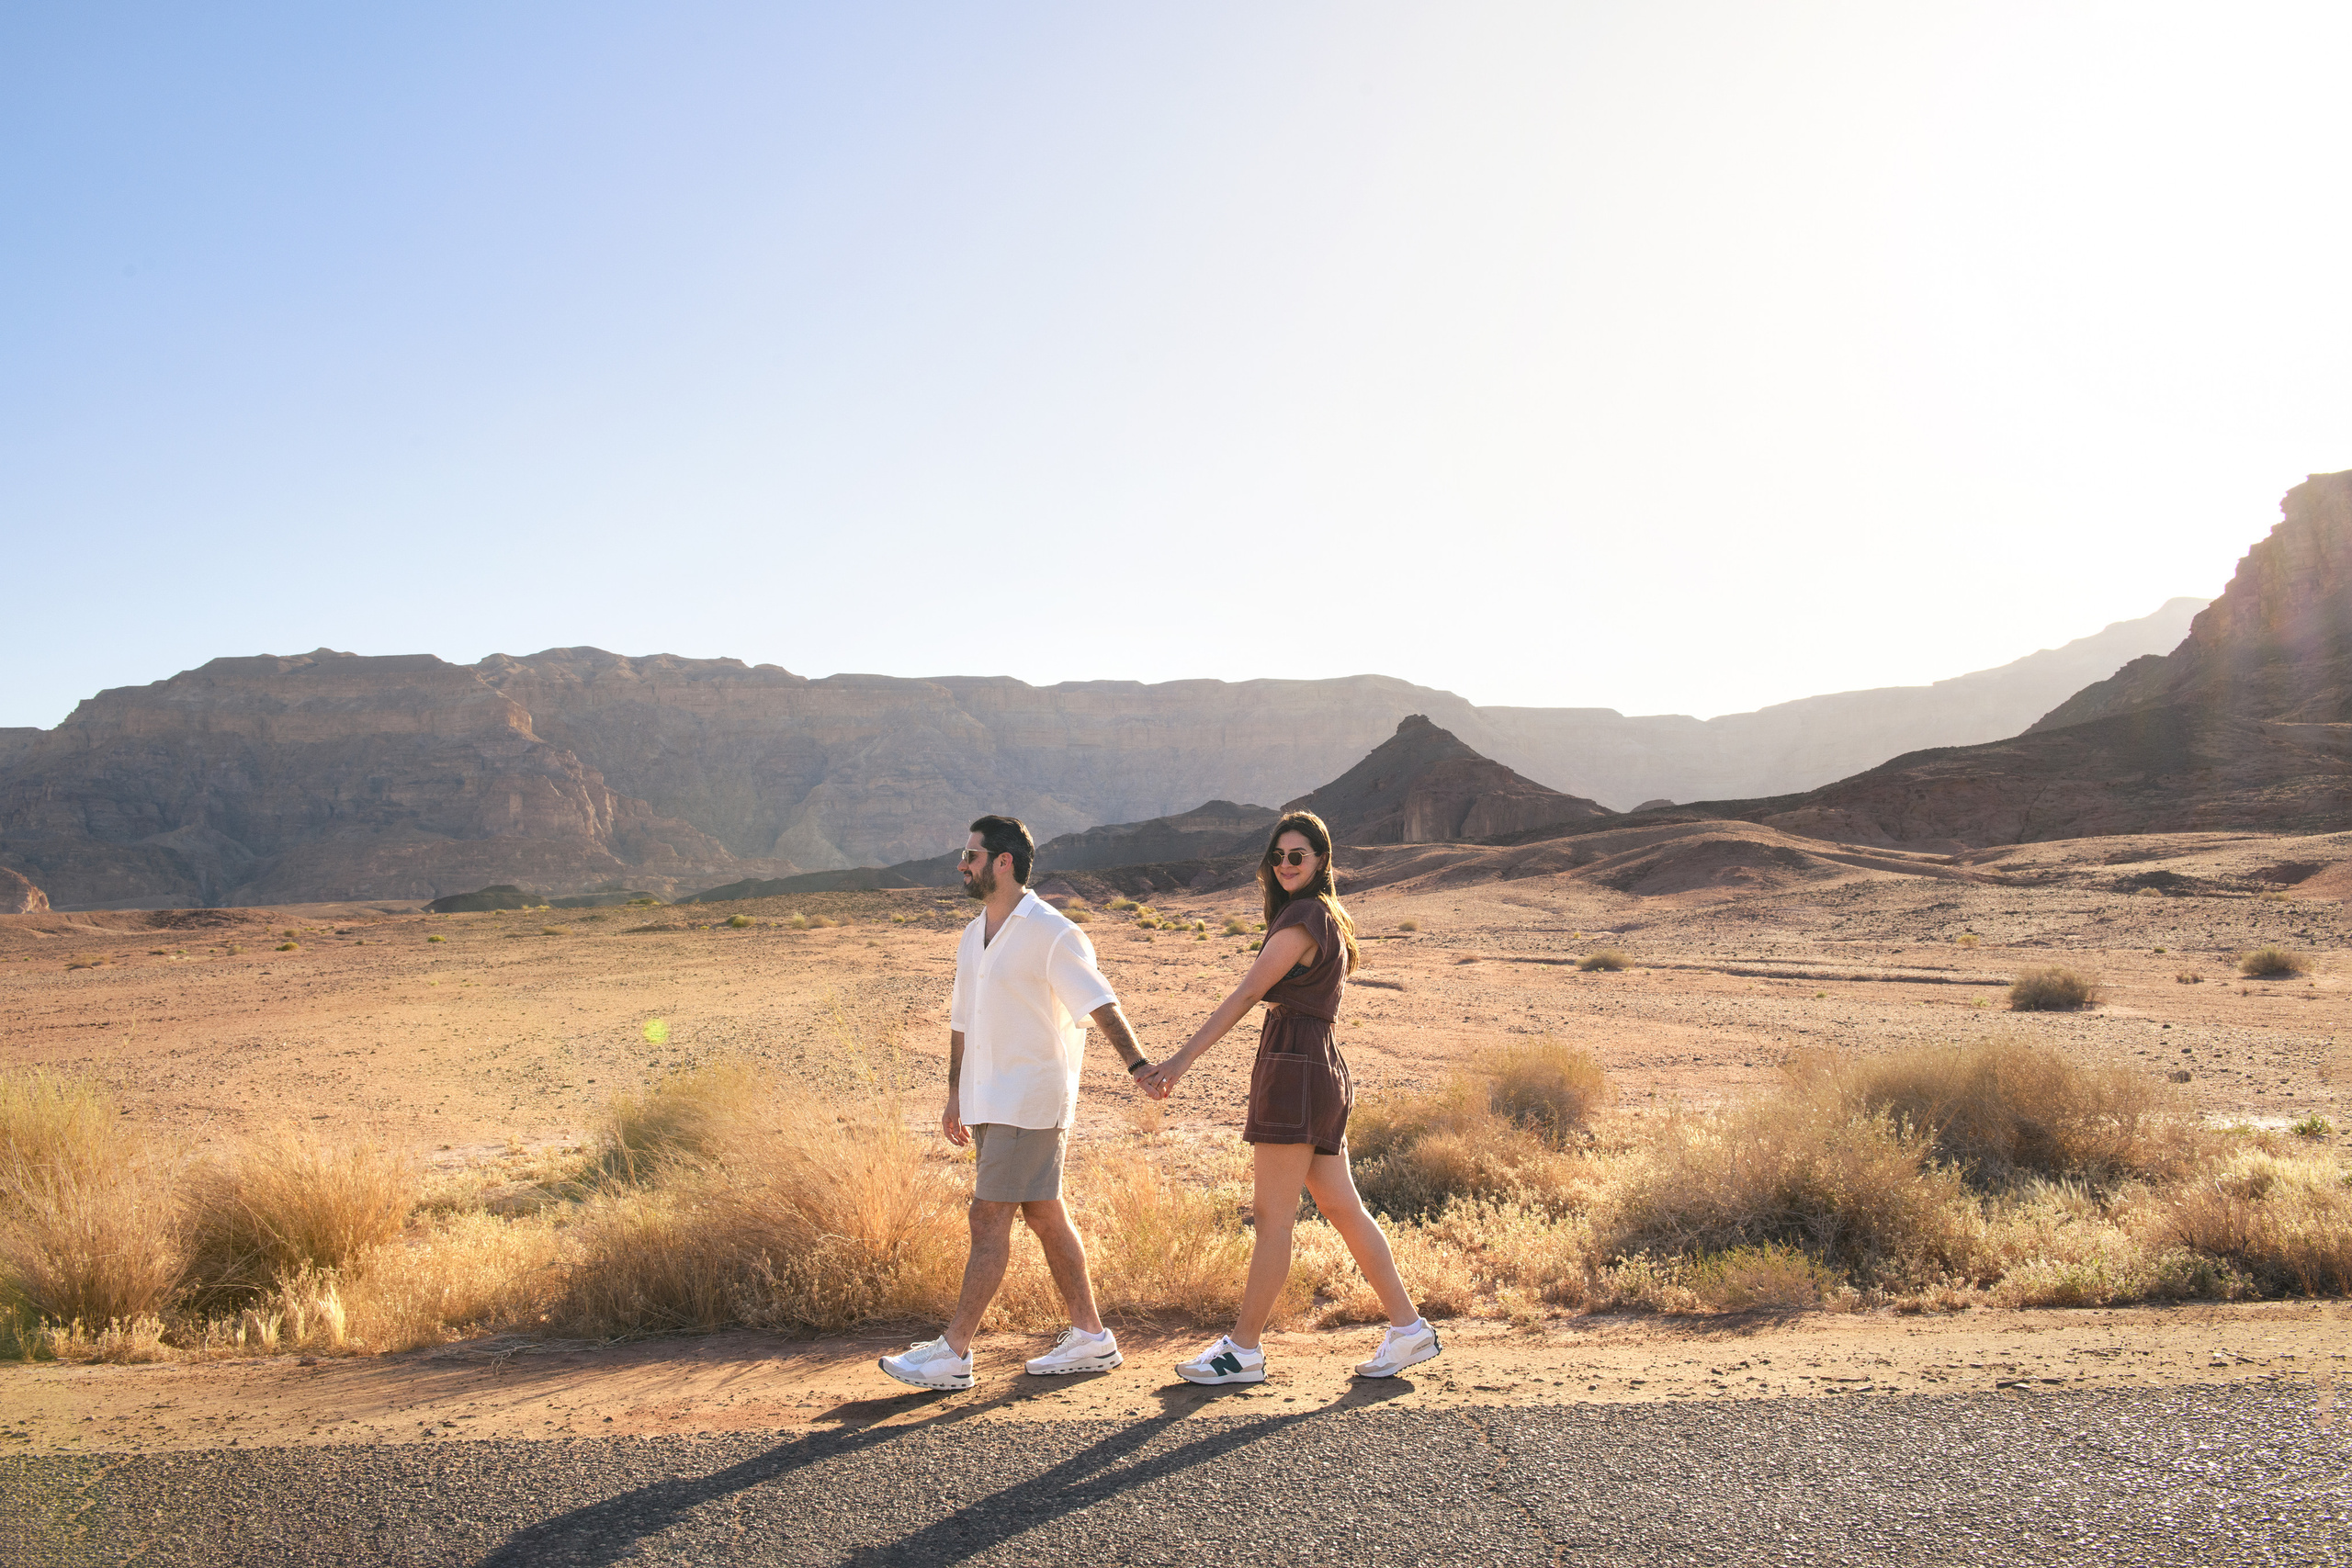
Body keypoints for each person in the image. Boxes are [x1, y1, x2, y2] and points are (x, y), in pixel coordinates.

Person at [1137, 810, 1441, 1384]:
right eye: (1277, 858)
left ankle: (1243, 1350)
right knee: (1341, 1207)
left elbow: (1249, 992)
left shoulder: (1303, 918)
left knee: (1274, 1220)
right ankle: (1408, 1328)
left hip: (1294, 1071)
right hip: (1319, 1069)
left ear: (1322, 860)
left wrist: (1177, 1062)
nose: (1284, 866)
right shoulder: (1328, 916)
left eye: (1296, 856)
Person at [879, 813, 1157, 1392]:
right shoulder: (973, 932)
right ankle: (1091, 1337)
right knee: (1043, 1212)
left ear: (1003, 862)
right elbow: (962, 1019)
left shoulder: (1053, 931)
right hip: (987, 1097)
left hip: (1028, 1098)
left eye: (972, 855)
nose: (962, 864)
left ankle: (954, 1350)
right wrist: (955, 1092)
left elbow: (1101, 1003)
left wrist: (1139, 1067)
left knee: (989, 1215)